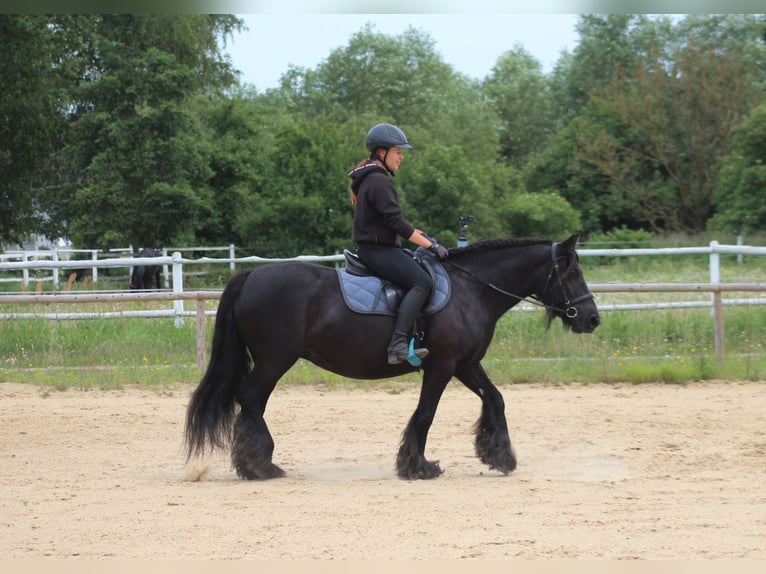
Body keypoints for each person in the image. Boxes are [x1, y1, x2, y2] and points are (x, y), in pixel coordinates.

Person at [347, 123, 449, 365]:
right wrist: (431, 246)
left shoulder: (371, 179)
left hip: (378, 248)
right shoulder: (378, 181)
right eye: (398, 152)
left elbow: (392, 222)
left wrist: (424, 236)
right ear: (382, 152)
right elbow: (397, 224)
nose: (401, 157)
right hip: (377, 250)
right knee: (422, 282)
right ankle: (398, 344)